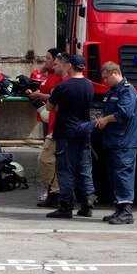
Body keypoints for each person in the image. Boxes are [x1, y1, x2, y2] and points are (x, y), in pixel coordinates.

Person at [45, 53, 95, 219]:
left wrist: (58, 106)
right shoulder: (89, 85)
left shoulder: (63, 86)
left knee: (65, 169)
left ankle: (66, 206)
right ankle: (88, 203)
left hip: (66, 131)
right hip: (84, 130)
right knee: (84, 168)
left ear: (70, 66)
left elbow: (49, 106)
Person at [94, 61, 137, 225]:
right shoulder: (113, 90)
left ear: (115, 73)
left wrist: (106, 120)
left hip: (125, 141)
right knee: (115, 176)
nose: (105, 81)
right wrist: (102, 118)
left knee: (123, 175)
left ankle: (126, 212)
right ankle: (119, 209)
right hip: (114, 140)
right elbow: (109, 110)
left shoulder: (127, 90)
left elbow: (125, 113)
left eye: (106, 77)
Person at [31, 48, 64, 208]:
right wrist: (47, 65)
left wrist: (38, 95)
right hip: (49, 120)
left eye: (49, 59)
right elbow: (38, 73)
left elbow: (53, 99)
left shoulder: (56, 78)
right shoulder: (51, 74)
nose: (46, 61)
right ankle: (53, 192)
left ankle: (55, 191)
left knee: (48, 159)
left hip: (54, 122)